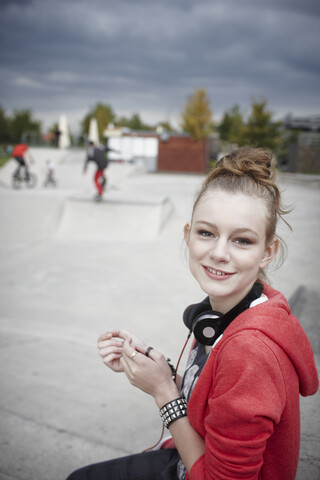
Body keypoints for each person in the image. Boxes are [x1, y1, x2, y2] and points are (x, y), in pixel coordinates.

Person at [67, 147, 319, 480]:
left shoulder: (250, 352)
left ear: (267, 252)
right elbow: (215, 393)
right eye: (206, 233)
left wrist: (164, 394)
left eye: (242, 241)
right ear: (187, 235)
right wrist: (155, 364)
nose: (218, 253)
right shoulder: (231, 314)